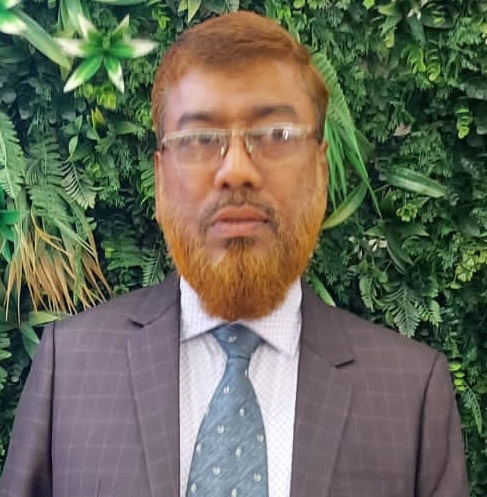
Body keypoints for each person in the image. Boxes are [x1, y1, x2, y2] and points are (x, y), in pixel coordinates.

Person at [0, 10, 468, 497]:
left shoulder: (410, 394)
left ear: (321, 170)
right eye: (200, 139)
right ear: (160, 180)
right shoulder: (71, 368)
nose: (237, 170)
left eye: (276, 135)